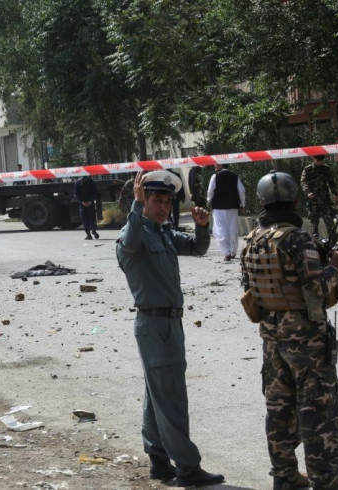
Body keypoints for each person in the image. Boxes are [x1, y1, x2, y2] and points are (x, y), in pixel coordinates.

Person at [240, 171, 338, 490]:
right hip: (306, 340)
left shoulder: (252, 240)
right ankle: (327, 480)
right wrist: (336, 261)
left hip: (271, 337)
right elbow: (318, 286)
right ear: (295, 201)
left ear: (263, 203)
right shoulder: (297, 239)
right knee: (318, 410)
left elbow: (250, 287)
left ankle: (283, 476)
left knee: (279, 408)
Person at [115, 170, 224, 488]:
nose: (163, 207)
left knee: (156, 394)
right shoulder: (132, 235)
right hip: (155, 324)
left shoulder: (161, 233)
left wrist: (203, 227)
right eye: (156, 201)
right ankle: (188, 467)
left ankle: (159, 460)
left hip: (168, 323)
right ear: (143, 201)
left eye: (166, 201)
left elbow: (197, 248)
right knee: (172, 396)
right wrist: (135, 207)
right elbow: (132, 240)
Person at [207, 164, 245, 260]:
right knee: (233, 229)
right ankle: (233, 252)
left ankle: (226, 253)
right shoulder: (234, 176)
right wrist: (243, 203)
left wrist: (209, 200)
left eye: (216, 164)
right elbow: (241, 190)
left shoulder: (215, 176)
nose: (215, 166)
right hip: (233, 207)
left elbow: (210, 191)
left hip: (219, 207)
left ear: (220, 165)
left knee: (220, 229)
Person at [301, 154, 338, 239]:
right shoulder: (308, 170)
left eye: (321, 161)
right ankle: (316, 240)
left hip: (325, 199)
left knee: (329, 220)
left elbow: (331, 182)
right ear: (314, 159)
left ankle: (332, 240)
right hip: (313, 200)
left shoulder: (326, 169)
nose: (320, 162)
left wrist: (335, 193)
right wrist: (308, 192)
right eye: (318, 161)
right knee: (314, 222)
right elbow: (303, 182)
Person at [74, 175, 100, 239]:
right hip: (90, 203)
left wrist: (82, 201)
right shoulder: (92, 182)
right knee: (92, 217)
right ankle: (93, 229)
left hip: (82, 204)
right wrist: (90, 201)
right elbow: (95, 193)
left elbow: (76, 194)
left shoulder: (78, 182)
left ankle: (88, 235)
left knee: (84, 219)